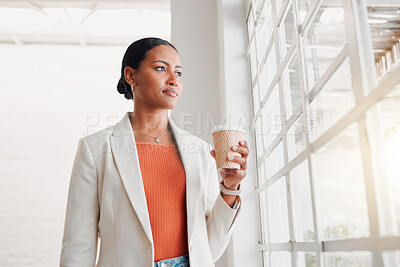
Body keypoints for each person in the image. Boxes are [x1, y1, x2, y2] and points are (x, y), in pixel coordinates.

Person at [60, 37, 249, 267]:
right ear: (131, 76)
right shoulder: (95, 149)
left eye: (178, 73)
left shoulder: (200, 151)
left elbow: (210, 249)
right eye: (161, 68)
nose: (173, 80)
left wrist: (229, 189)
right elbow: (78, 246)